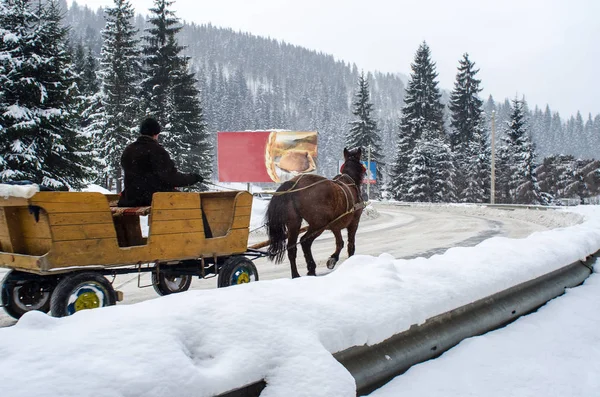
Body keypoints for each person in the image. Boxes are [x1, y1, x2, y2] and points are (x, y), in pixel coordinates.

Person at [117, 117, 203, 207]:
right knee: (194, 204)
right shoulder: (156, 151)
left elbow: (135, 176)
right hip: (152, 197)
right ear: (156, 133)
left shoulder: (129, 150)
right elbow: (171, 177)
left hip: (130, 198)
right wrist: (193, 178)